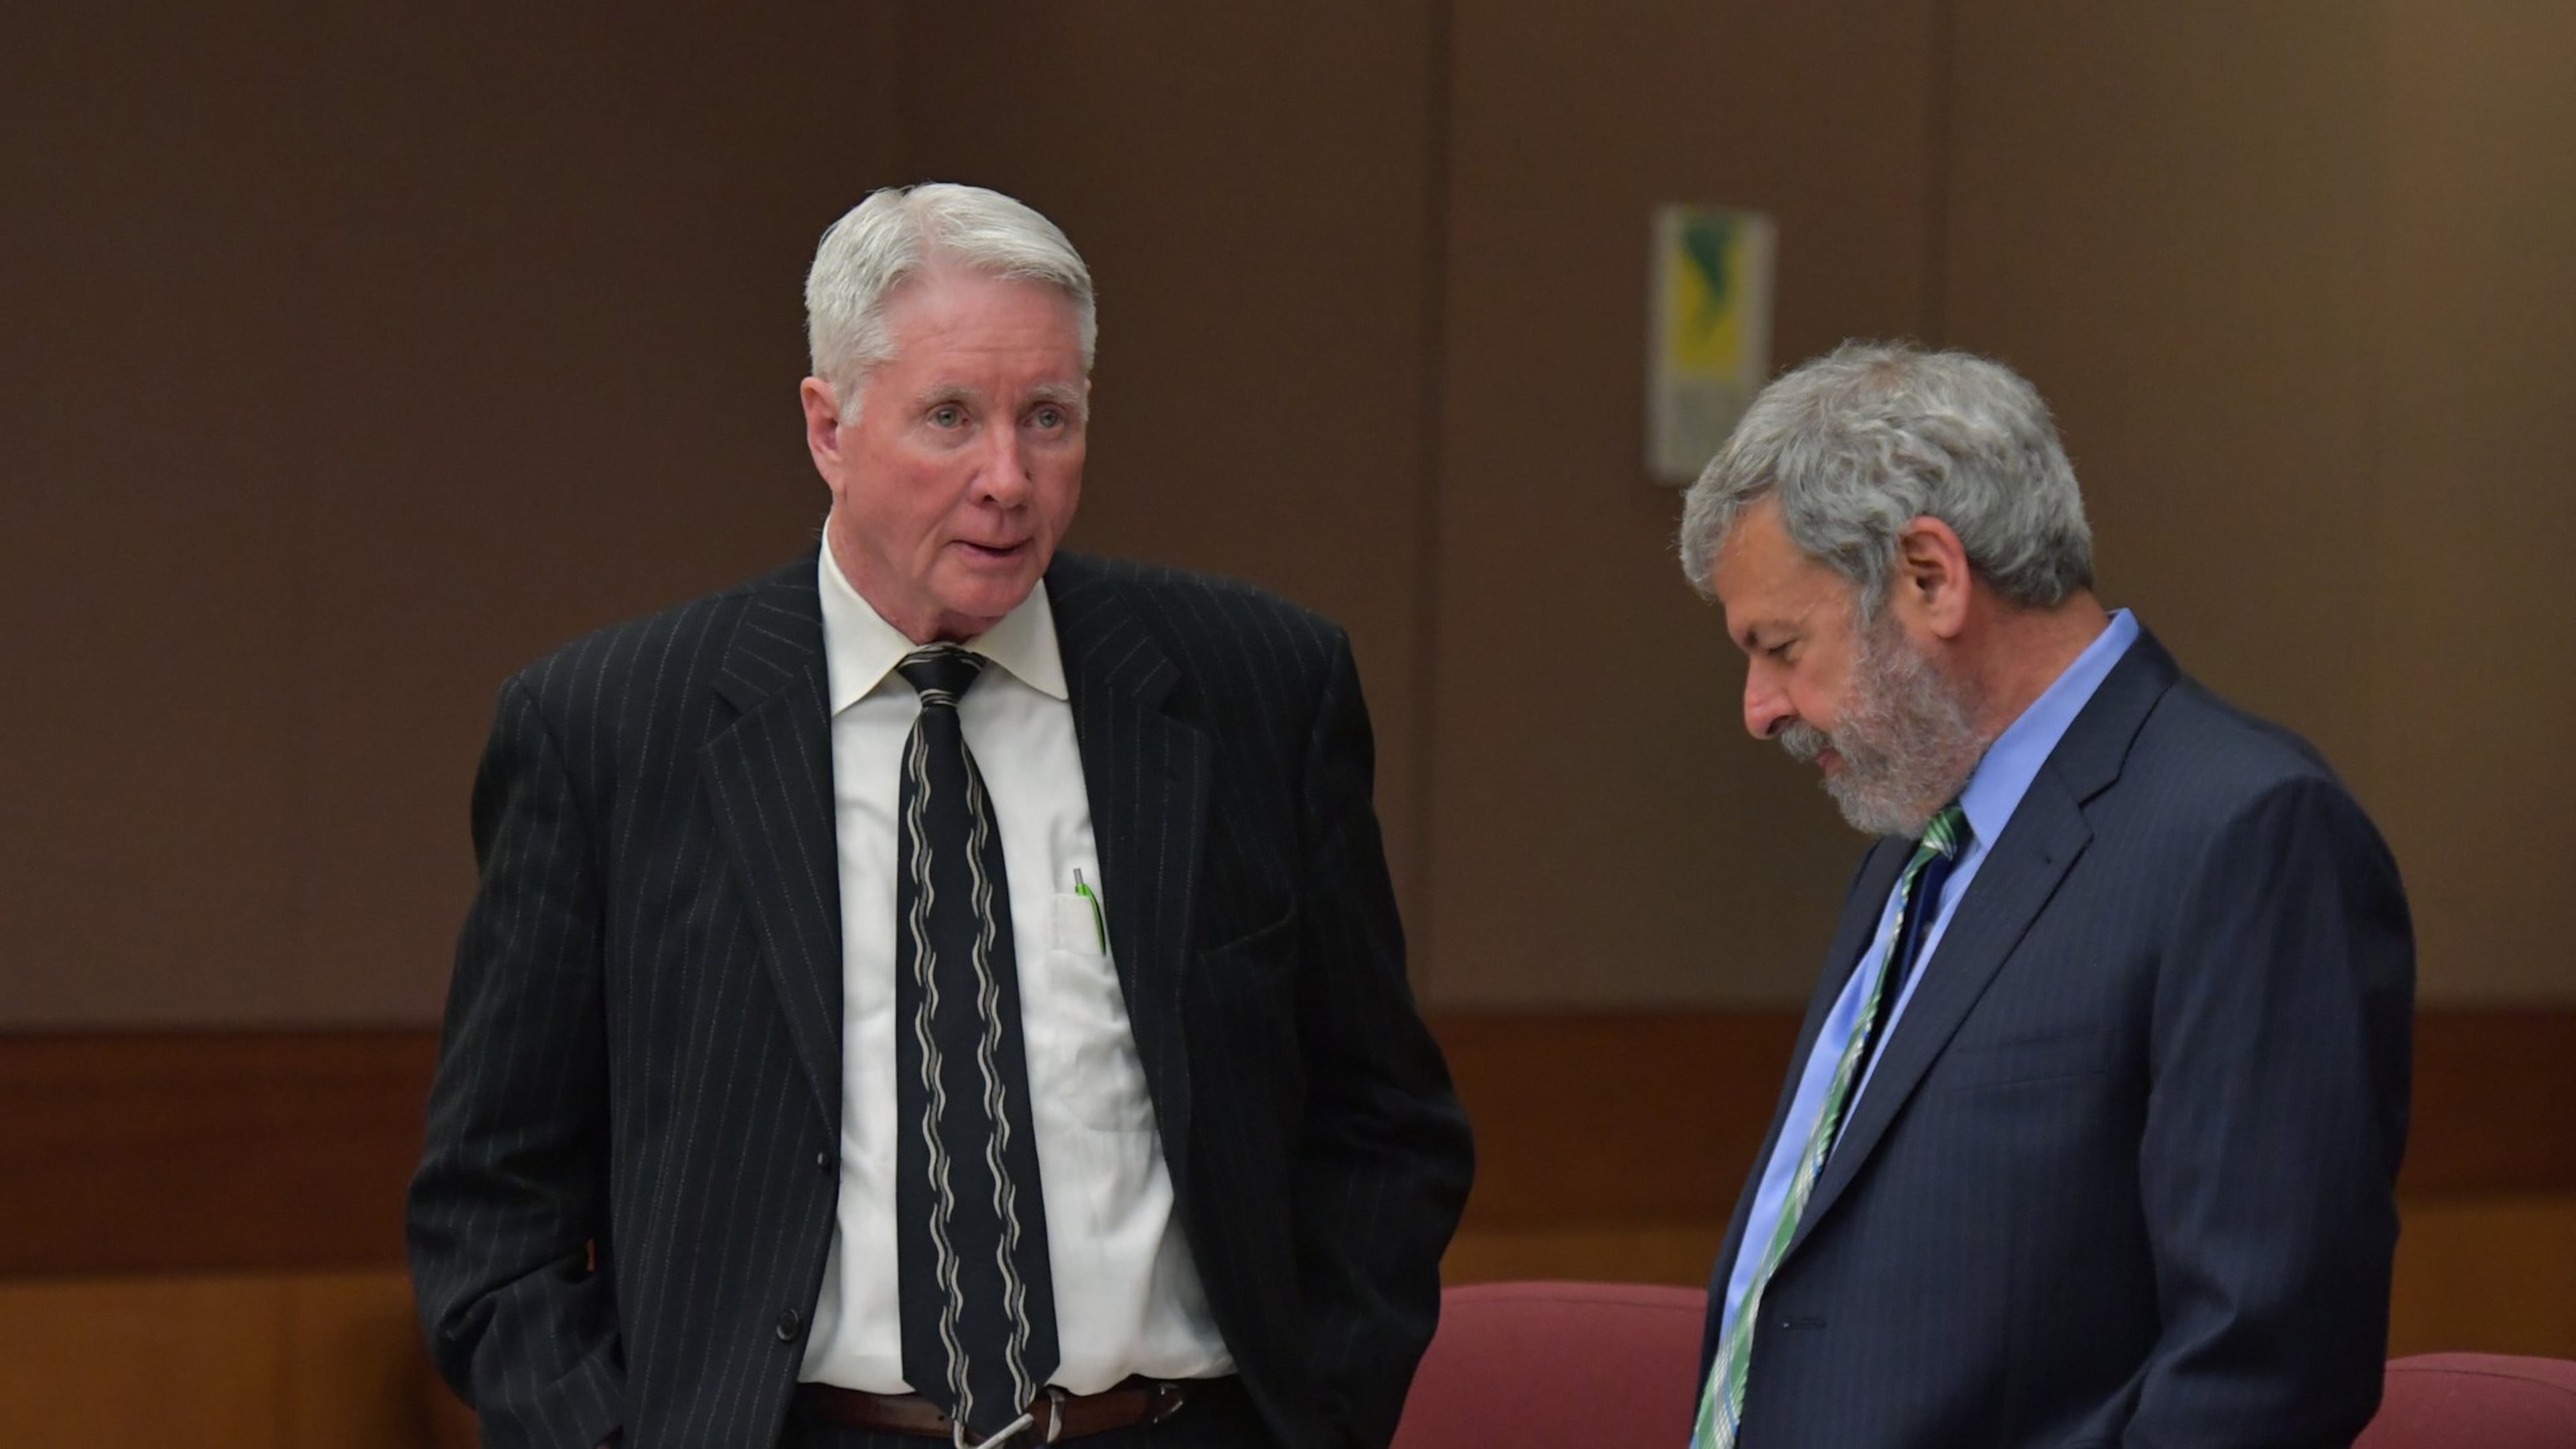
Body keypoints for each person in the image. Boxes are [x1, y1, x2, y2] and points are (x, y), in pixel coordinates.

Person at [407, 183, 1472, 1449]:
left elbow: (1383, 1121)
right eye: (951, 418)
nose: (1008, 480)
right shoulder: (612, 729)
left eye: (1050, 419)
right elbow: (494, 1206)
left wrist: (1320, 1419)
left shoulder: (1256, 690)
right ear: (829, 426)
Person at [1674, 342, 2412, 1447]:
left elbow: (2262, 1366)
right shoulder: (1918, 839)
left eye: (1780, 646)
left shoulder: (2245, 835)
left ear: (1930, 575)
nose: (1759, 709)